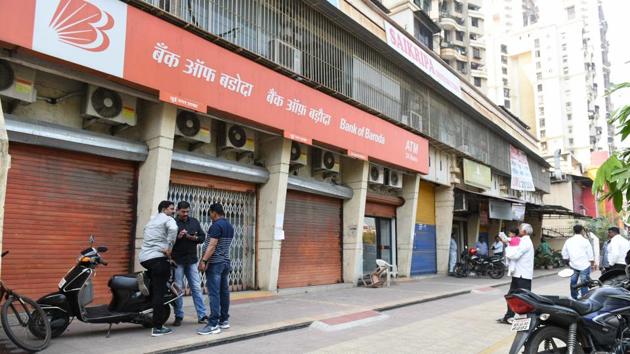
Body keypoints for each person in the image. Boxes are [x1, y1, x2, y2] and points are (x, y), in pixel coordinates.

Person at [138, 200, 178, 337]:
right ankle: (158, 327)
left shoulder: (152, 220)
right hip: (158, 259)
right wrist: (169, 248)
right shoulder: (168, 219)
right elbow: (173, 229)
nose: (173, 211)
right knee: (159, 294)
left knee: (154, 288)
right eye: (172, 208)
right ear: (164, 209)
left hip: (145, 259)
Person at [197, 203, 235, 335]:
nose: (210, 217)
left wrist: (204, 260)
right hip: (225, 262)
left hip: (215, 264)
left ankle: (213, 324)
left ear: (213, 212)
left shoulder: (216, 225)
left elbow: (212, 245)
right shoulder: (229, 226)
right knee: (224, 292)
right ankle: (224, 320)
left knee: (214, 293)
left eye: (210, 214)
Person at [171, 201, 208, 326]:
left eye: (187, 211)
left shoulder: (194, 222)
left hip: (192, 260)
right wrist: (178, 237)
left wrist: (195, 238)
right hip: (177, 261)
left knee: (196, 288)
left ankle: (202, 315)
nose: (185, 214)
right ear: (177, 211)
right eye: (183, 211)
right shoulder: (172, 223)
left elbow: (203, 237)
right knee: (178, 290)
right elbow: (166, 241)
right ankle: (179, 316)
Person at [497, 223, 535, 324]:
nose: (518, 230)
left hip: (522, 275)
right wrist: (506, 241)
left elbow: (515, 255)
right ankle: (509, 317)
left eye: (520, 229)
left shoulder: (525, 242)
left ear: (525, 232)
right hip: (519, 274)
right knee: (512, 296)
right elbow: (513, 243)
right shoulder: (523, 240)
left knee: (523, 298)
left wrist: (508, 249)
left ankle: (526, 319)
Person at [562, 225, 595, 299]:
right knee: (584, 282)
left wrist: (567, 260)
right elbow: (590, 253)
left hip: (573, 265)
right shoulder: (585, 241)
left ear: (574, 231)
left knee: (573, 281)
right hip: (584, 265)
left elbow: (564, 253)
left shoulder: (569, 241)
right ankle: (585, 298)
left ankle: (574, 297)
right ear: (581, 231)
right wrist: (592, 263)